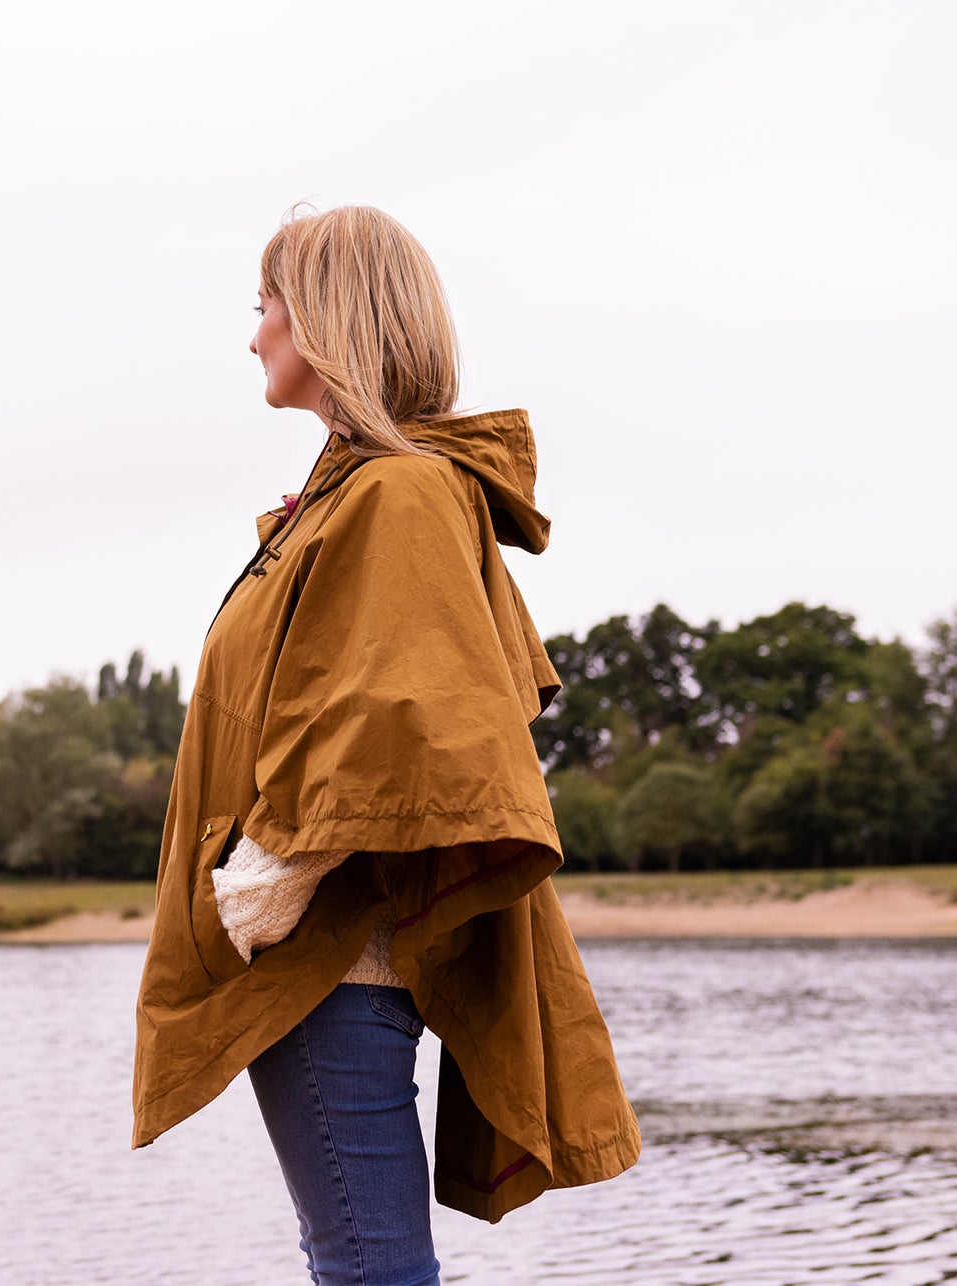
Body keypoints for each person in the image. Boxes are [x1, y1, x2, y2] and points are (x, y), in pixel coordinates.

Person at [131, 205, 639, 1286]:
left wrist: (257, 890)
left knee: (371, 1269)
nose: (253, 335)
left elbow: (398, 730)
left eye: (265, 305)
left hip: (328, 956)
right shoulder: (356, 494)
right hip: (328, 955)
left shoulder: (397, 494)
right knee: (359, 1261)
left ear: (326, 316)